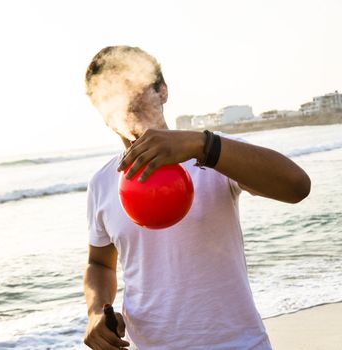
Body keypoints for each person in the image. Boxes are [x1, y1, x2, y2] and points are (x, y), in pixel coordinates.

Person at [82, 46, 311, 350]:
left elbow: (297, 187)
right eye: (111, 96)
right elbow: (99, 264)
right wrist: (97, 310)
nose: (128, 102)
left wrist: (204, 147)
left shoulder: (212, 153)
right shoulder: (101, 182)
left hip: (239, 344)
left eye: (135, 88)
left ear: (162, 91)